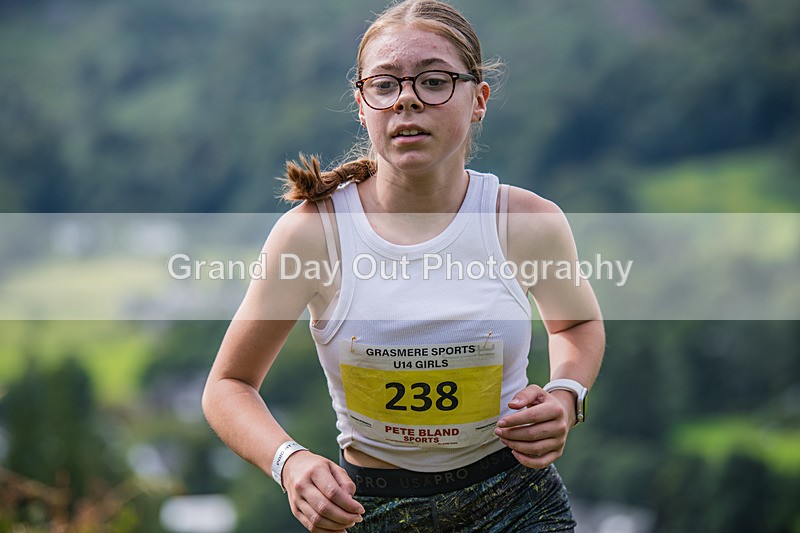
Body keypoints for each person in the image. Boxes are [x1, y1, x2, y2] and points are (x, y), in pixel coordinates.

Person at [202, 1, 604, 531]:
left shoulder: (526, 221)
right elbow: (228, 385)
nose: (408, 99)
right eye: (386, 85)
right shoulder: (313, 234)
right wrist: (289, 462)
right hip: (370, 510)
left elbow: (575, 324)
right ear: (362, 104)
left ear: (478, 99)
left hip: (518, 503)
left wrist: (566, 394)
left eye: (434, 81)